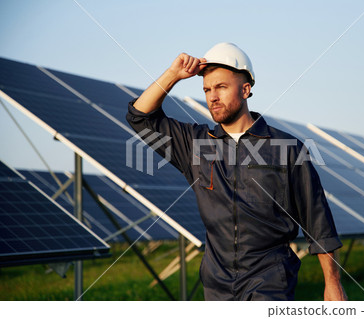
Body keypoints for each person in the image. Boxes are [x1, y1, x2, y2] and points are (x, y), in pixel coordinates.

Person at [126, 42, 347, 301]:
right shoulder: (195, 145)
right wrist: (173, 74)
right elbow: (140, 117)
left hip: (270, 283)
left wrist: (332, 284)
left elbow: (317, 220)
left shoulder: (287, 148)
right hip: (216, 287)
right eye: (207, 89)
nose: (212, 96)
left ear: (245, 90)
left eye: (221, 87)